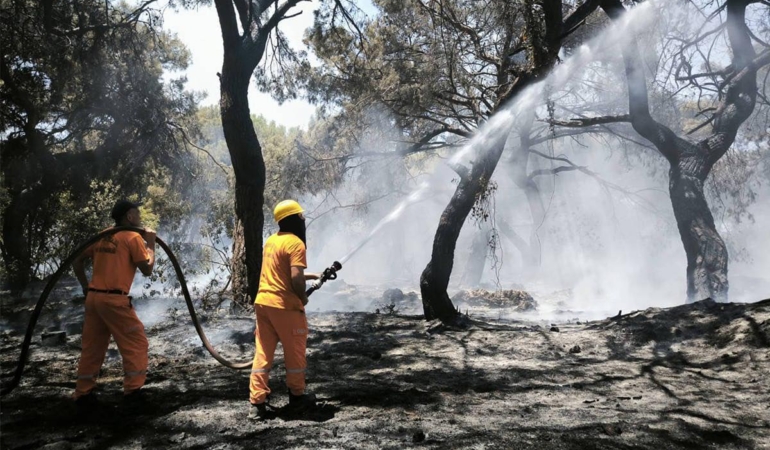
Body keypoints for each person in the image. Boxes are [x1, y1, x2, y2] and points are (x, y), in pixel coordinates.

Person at [71, 199, 156, 413]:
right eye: (137, 212)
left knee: (92, 347)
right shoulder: (133, 237)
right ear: (129, 216)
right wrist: (151, 244)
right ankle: (133, 392)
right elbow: (146, 270)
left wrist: (85, 287)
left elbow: (76, 260)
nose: (139, 216)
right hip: (115, 301)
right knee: (136, 342)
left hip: (94, 299)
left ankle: (83, 393)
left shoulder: (104, 235)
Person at [248, 200, 320, 420]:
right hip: (285, 307)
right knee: (295, 352)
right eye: (301, 216)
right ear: (295, 218)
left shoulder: (271, 241)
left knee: (263, 352)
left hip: (264, 303)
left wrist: (312, 275)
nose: (303, 220)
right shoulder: (296, 243)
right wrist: (302, 297)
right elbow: (295, 278)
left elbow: (279, 272)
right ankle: (297, 398)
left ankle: (256, 404)